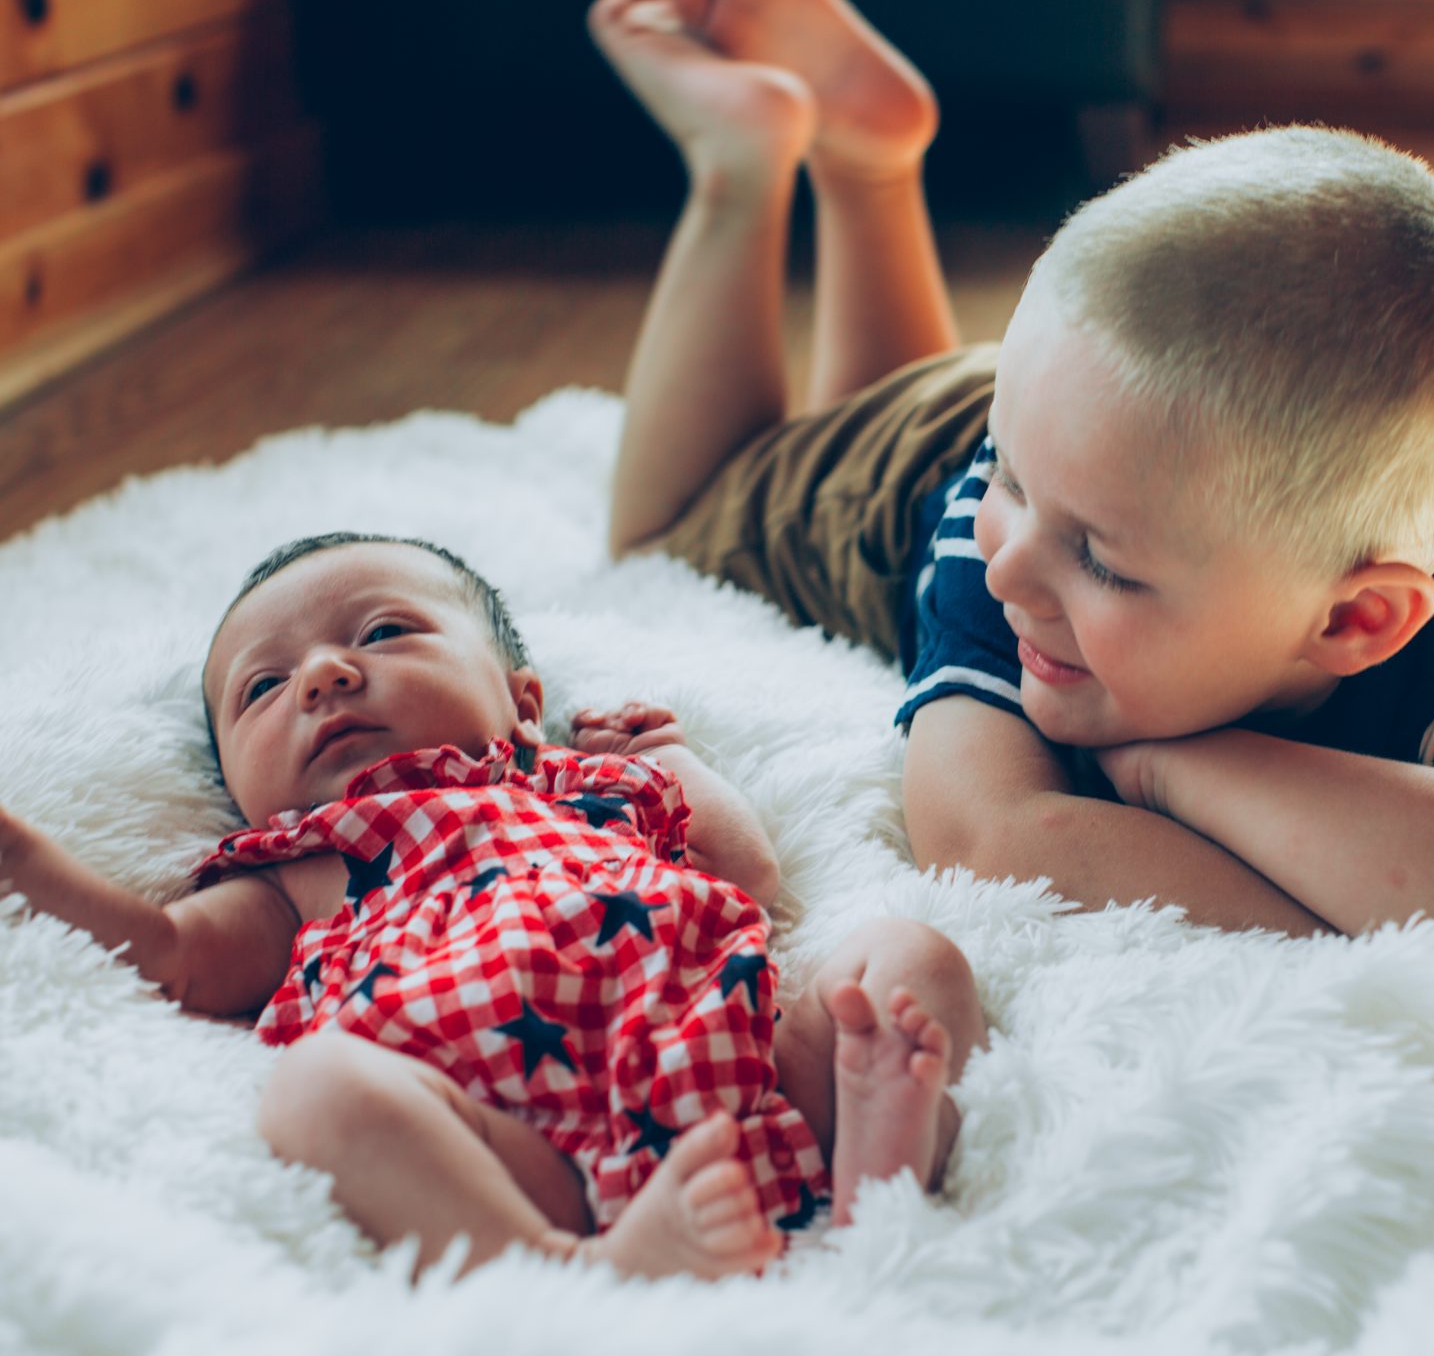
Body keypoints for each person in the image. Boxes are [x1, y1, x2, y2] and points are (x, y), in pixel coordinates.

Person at [586, 0, 1434, 1022]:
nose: (1010, 572)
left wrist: (1180, 767)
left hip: (1081, 433)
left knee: (977, 432)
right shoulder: (999, 541)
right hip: (932, 465)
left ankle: (869, 159)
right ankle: (740, 166)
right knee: (661, 532)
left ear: (1353, 621)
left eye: (1105, 565)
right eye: (1017, 497)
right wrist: (1361, 929)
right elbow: (986, 837)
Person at [0, 532, 986, 1280]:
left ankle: (874, 1175)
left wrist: (665, 758)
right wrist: (30, 860)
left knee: (910, 959)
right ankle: (574, 1269)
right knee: (317, 1093)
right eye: (263, 688)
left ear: (521, 700)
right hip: (513, 1139)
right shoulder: (301, 867)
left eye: (382, 633)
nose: (325, 675)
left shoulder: (568, 780)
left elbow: (743, 874)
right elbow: (171, 954)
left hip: (731, 1059)